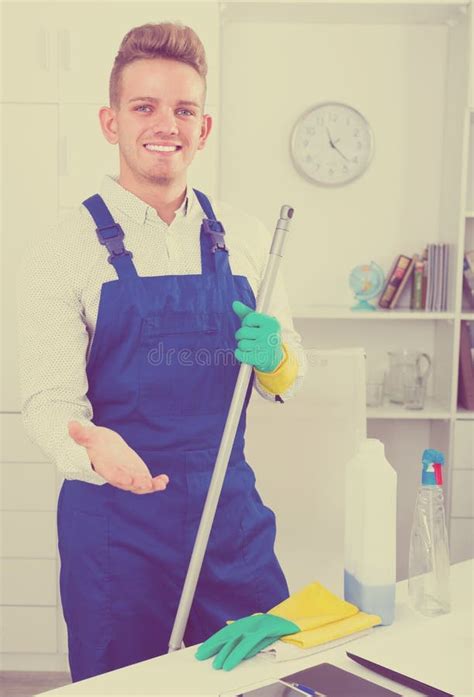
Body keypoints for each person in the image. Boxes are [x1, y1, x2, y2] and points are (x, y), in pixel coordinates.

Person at [16, 22, 306, 682]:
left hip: (229, 520)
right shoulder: (60, 251)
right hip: (116, 525)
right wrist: (92, 444)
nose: (164, 124)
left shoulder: (251, 239)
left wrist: (276, 357)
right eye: (143, 106)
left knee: (266, 677)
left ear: (203, 129)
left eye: (184, 109)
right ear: (109, 119)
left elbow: (289, 370)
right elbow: (47, 401)